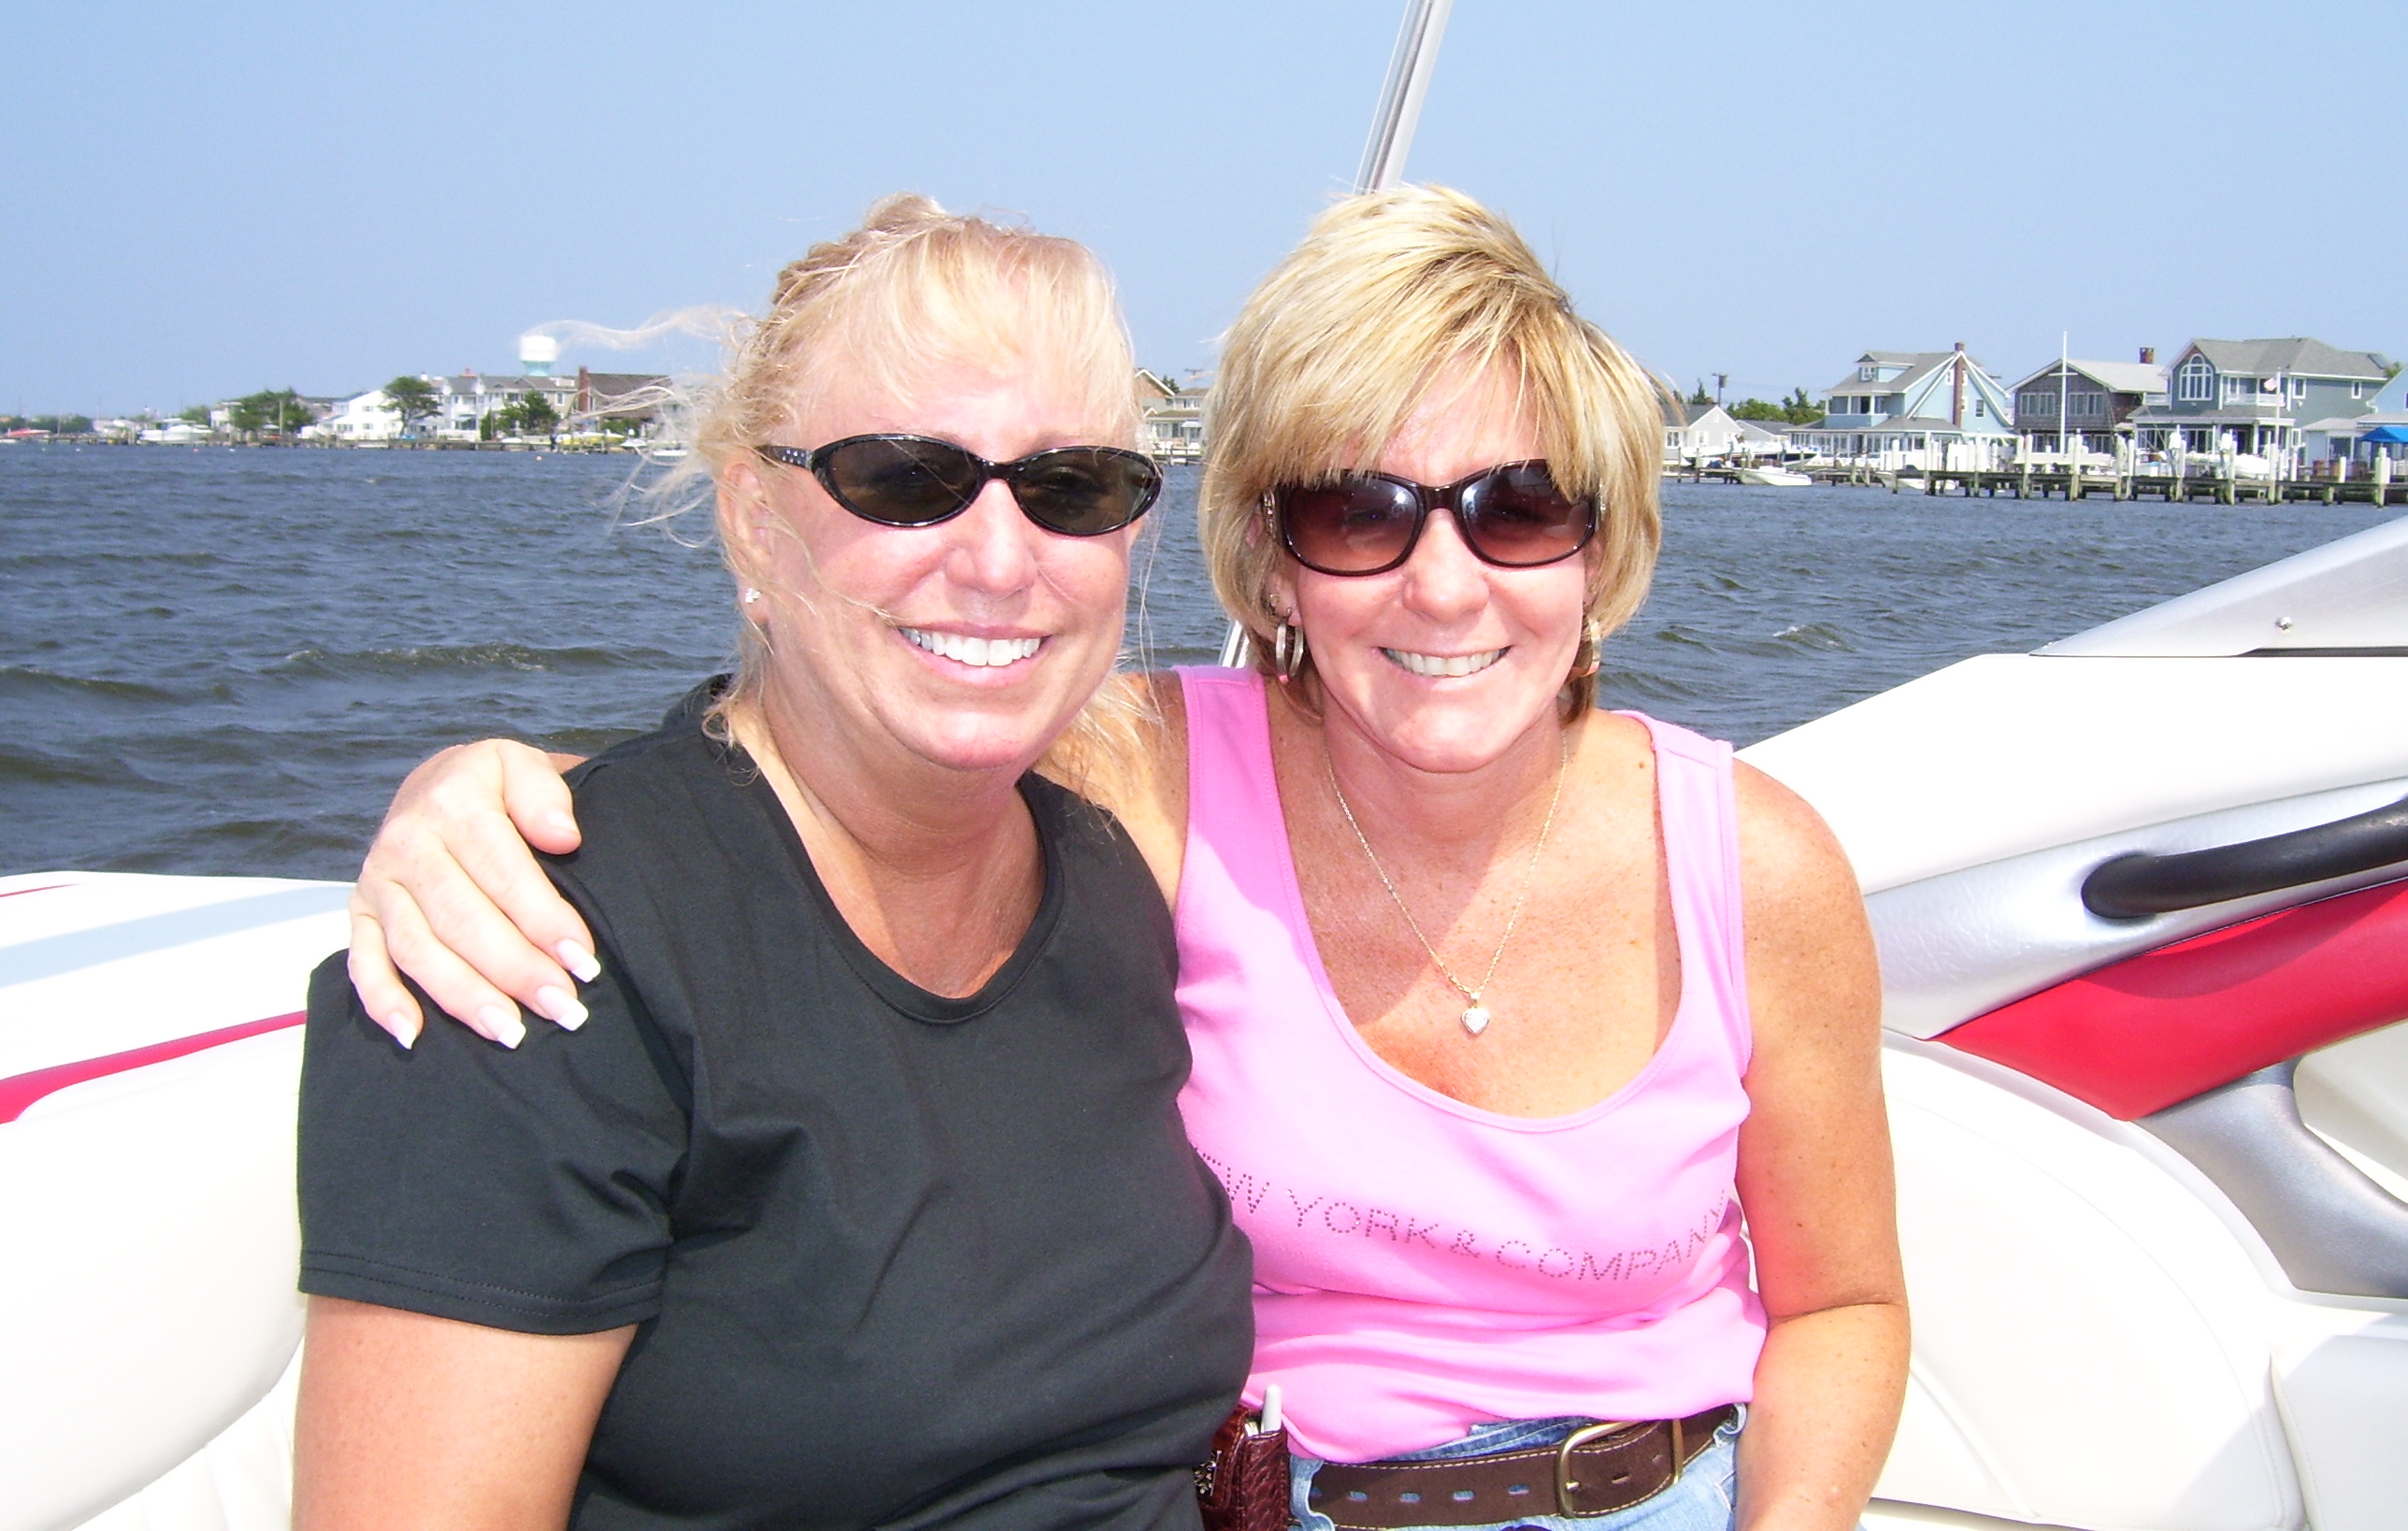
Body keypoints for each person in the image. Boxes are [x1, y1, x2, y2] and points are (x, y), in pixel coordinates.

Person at [348, 186, 1908, 1531]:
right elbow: (839, 763)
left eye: (1519, 510)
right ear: (1273, 558)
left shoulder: (1752, 865)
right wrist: (496, 792)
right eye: (1359, 512)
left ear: (1603, 546)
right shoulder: (1154, 776)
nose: (1444, 586)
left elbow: (1843, 1301)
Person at [293, 196, 1256, 1531]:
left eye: (1069, 488)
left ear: (1132, 534)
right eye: (905, 479)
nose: (997, 557)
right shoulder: (535, 951)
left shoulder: (1105, 876)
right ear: (755, 520)